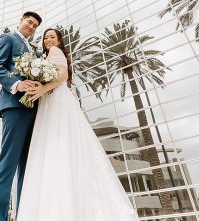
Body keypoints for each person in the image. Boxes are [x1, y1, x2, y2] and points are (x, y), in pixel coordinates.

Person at [16, 28, 139, 220]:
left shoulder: (55, 51)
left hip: (57, 99)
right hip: (49, 100)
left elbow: (63, 75)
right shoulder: (44, 57)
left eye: (52, 37)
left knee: (58, 142)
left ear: (59, 41)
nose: (48, 40)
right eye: (46, 37)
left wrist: (43, 88)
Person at [0, 11, 42, 221]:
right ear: (21, 20)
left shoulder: (35, 51)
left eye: (35, 26)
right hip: (14, 106)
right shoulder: (8, 39)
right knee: (8, 164)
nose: (31, 27)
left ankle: (24, 215)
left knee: (27, 168)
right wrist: (17, 84)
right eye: (29, 22)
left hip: (33, 109)